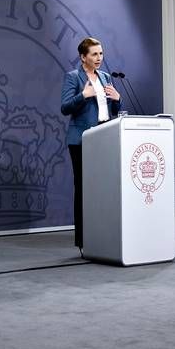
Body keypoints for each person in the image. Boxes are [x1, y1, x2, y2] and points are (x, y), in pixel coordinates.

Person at [60, 37, 121, 253]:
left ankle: (102, 235)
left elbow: (112, 111)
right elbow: (65, 107)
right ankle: (83, 241)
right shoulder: (74, 77)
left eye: (101, 54)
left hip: (105, 137)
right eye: (94, 54)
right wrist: (83, 95)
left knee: (104, 190)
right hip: (82, 140)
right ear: (83, 57)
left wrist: (117, 98)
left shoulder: (105, 77)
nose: (99, 58)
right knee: (84, 190)